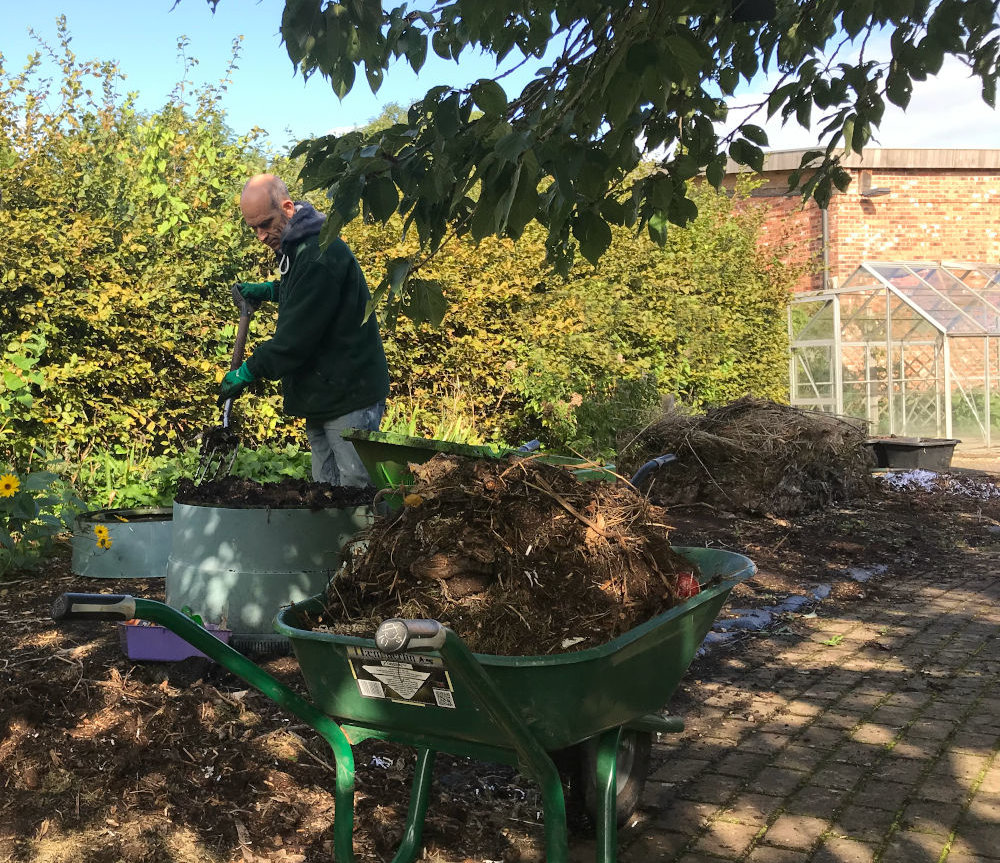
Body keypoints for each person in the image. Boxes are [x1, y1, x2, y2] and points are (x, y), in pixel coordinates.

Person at [219, 174, 389, 487]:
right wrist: (272, 291)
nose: (260, 236)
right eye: (253, 228)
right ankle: (332, 538)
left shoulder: (318, 253)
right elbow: (305, 294)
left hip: (348, 393)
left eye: (266, 224)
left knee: (355, 494)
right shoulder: (298, 245)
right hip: (324, 392)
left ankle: (370, 538)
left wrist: (247, 372)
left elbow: (293, 342)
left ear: (286, 207)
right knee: (325, 489)